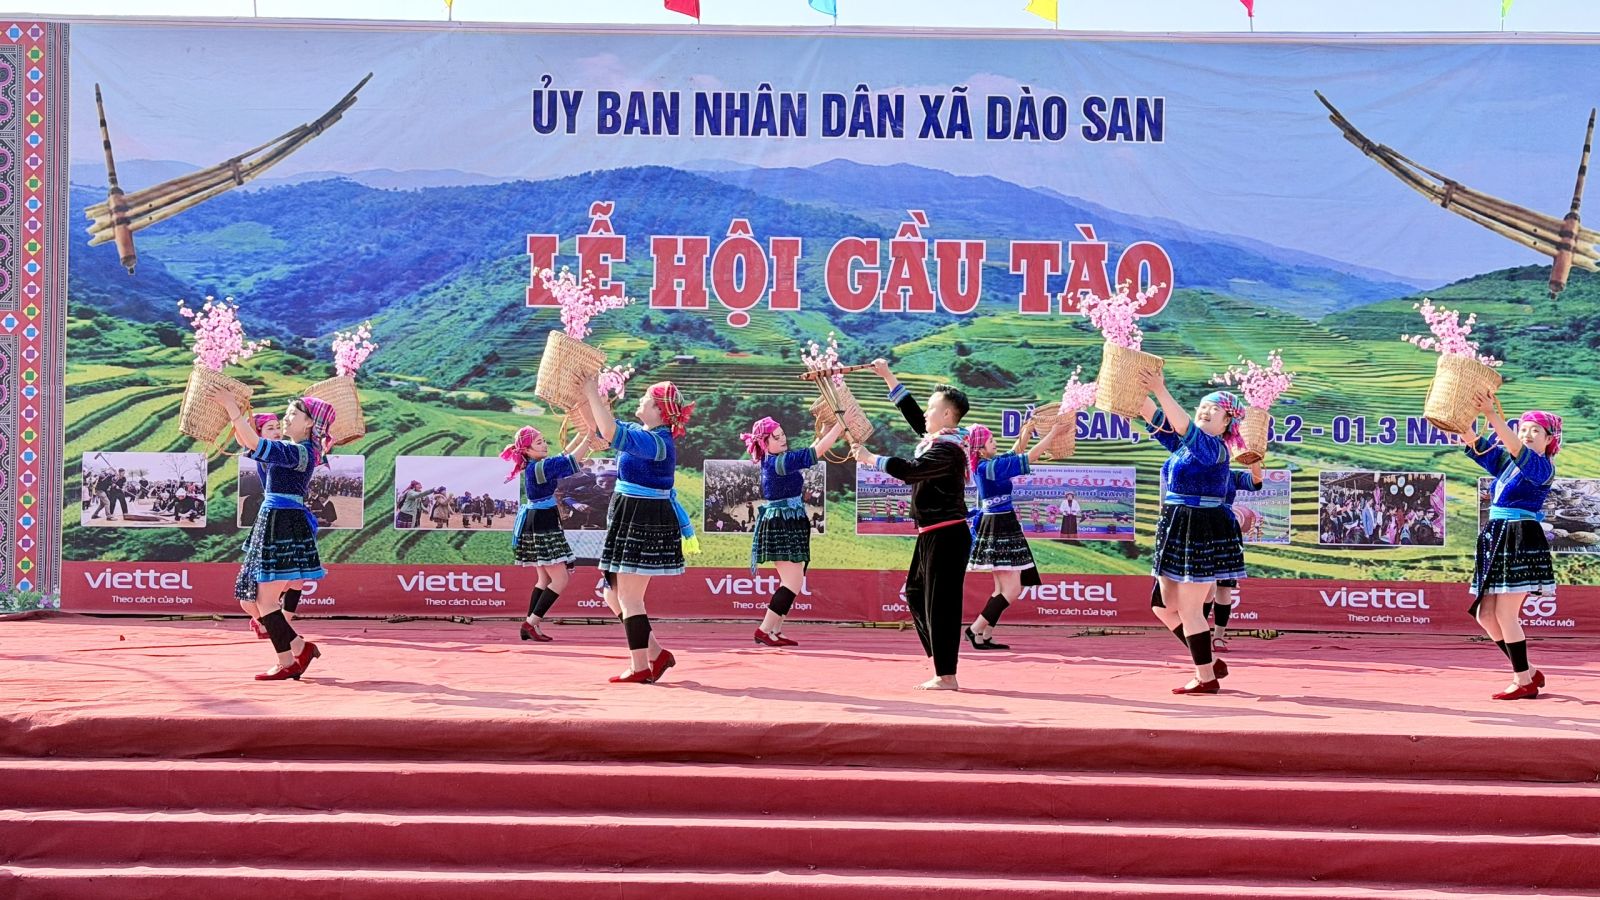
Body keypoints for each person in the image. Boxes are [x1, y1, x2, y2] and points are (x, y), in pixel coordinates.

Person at [851, 359, 971, 691]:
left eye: (932, 408)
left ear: (946, 414)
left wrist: (871, 459)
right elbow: (915, 416)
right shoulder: (939, 440)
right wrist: (887, 376)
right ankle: (941, 659)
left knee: (941, 604)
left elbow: (909, 471)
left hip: (947, 534)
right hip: (933, 534)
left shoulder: (947, 450)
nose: (926, 414)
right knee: (917, 594)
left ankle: (946, 675)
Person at [580, 376, 697, 684]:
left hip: (643, 518)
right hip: (628, 514)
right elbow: (599, 426)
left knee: (630, 598)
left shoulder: (657, 443)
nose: (641, 400)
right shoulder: (641, 433)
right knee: (612, 595)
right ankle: (656, 654)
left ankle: (640, 666)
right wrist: (586, 396)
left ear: (659, 410)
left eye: (647, 397)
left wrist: (592, 391)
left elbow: (609, 431)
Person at [214, 391, 336, 681]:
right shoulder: (295, 449)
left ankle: (292, 657)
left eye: (293, 413)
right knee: (253, 600)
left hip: (282, 521)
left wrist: (232, 408)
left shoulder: (300, 452)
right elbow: (249, 442)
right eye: (287, 412)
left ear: (309, 423)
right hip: (275, 519)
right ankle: (297, 652)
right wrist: (237, 416)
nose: (286, 418)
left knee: (264, 600)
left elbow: (254, 442)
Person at [1139, 371, 1247, 695]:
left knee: (1189, 610)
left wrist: (1160, 388)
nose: (1205, 410)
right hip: (1176, 525)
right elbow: (1154, 416)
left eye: (1214, 409)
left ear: (1227, 422)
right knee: (1162, 606)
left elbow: (1183, 425)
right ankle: (1209, 662)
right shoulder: (1184, 446)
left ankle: (1206, 677)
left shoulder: (1215, 450)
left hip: (1199, 528)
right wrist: (1131, 386)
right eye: (1202, 406)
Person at [1458, 393, 1560, 700]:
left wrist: (1491, 414)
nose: (1527, 434)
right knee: (1485, 615)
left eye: (1535, 430)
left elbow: (1514, 447)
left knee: (1505, 614)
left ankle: (1523, 680)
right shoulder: (1509, 465)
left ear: (1549, 439)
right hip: (1496, 535)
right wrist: (1460, 420)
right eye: (1523, 428)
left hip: (1519, 537)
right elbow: (1478, 445)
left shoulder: (1542, 467)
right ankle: (1527, 671)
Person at [742, 415, 846, 647]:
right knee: (792, 581)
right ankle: (764, 630)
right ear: (764, 442)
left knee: (794, 581)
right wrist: (840, 425)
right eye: (776, 437)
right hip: (782, 522)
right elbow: (815, 452)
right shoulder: (779, 462)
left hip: (791, 519)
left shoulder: (777, 459)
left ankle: (774, 631)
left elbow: (811, 450)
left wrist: (827, 429)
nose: (783, 439)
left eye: (782, 435)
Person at [963, 420, 1066, 650]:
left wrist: (1026, 433)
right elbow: (1029, 457)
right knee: (1012, 590)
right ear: (980, 448)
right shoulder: (988, 468)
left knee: (1001, 589)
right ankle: (974, 629)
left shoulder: (988, 465)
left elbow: (1014, 452)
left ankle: (984, 636)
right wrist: (1053, 433)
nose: (995, 443)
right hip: (999, 525)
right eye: (990, 440)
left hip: (1000, 523)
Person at [504, 422, 593, 642]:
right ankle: (530, 624)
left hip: (538, 519)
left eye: (544, 441)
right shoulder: (540, 467)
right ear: (527, 449)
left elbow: (563, 457)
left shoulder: (536, 466)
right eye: (539, 442)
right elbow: (570, 461)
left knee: (544, 579)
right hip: (543, 521)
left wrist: (582, 434)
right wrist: (589, 436)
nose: (544, 445)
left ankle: (531, 624)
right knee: (560, 579)